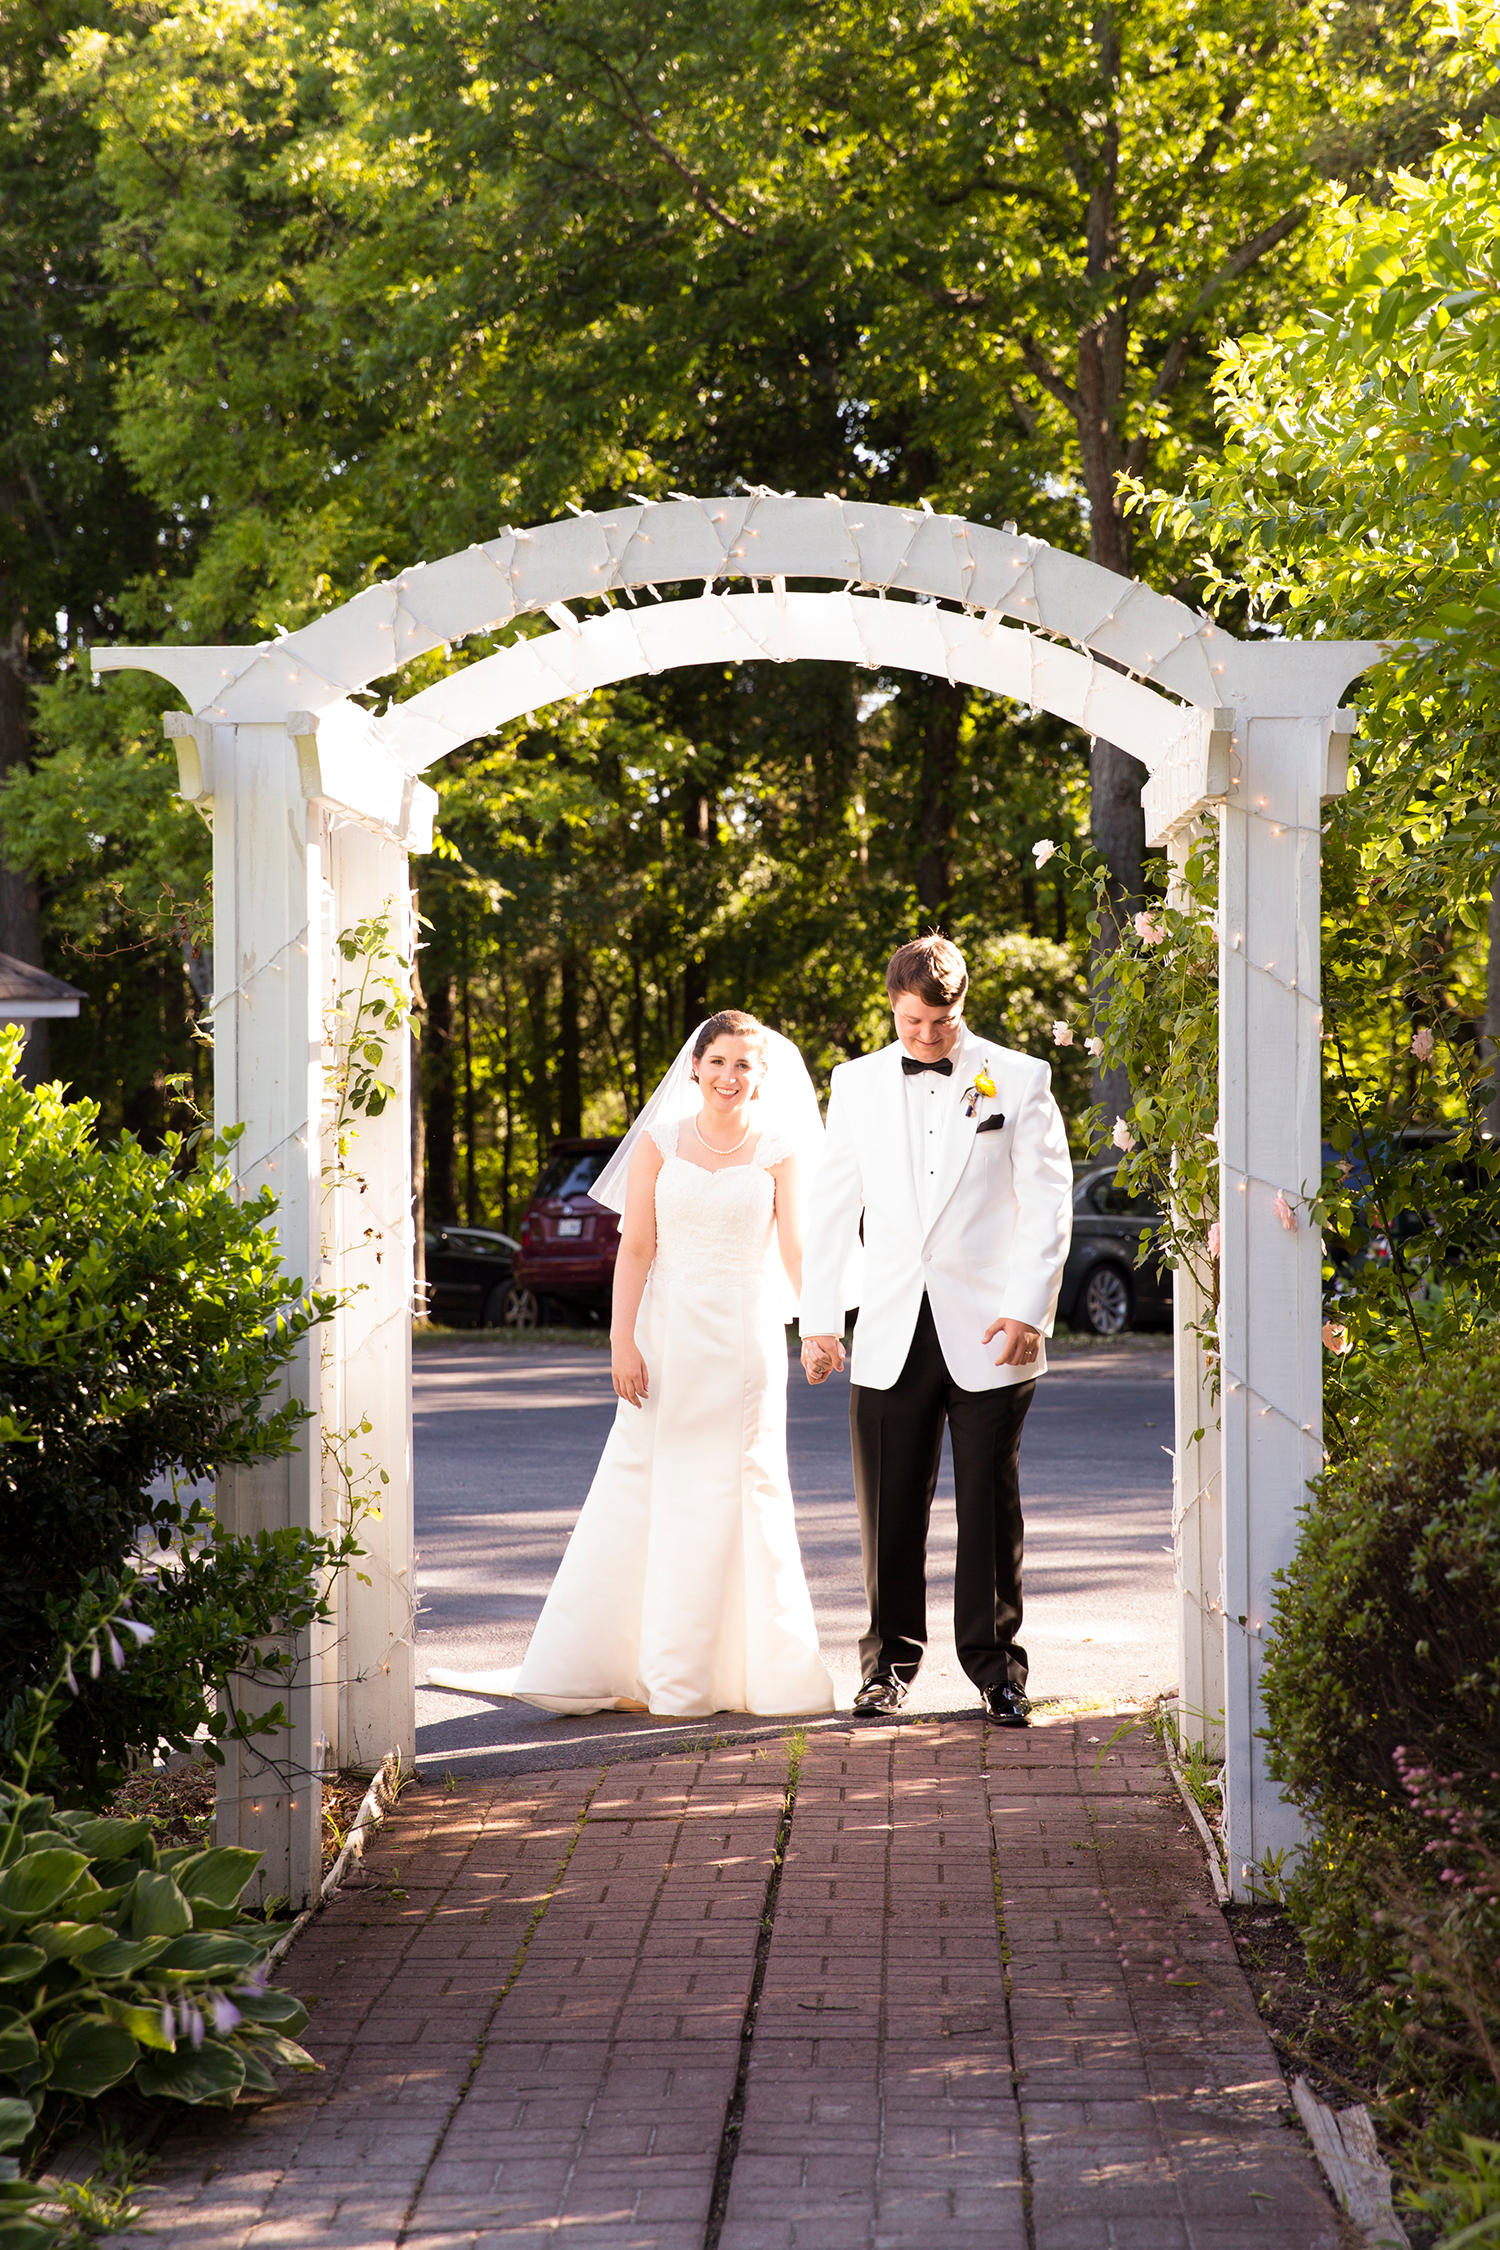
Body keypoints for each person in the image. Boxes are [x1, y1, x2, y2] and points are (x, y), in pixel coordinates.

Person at [428, 1010, 835, 1720]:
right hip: (666, 1334)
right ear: (695, 1067)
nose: (729, 1076)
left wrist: (819, 1328)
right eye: (718, 1062)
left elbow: (796, 1249)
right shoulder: (659, 1141)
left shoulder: (780, 1150)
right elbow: (638, 1248)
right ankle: (650, 1667)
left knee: (746, 1488)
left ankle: (749, 1669)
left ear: (761, 1074)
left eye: (744, 1065)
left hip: (747, 1341)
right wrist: (623, 1342)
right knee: (653, 1485)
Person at [799, 935, 1073, 1726]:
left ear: (963, 1006)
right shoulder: (853, 1083)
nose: (926, 1036)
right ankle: (887, 1668)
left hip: (993, 1326)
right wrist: (821, 1321)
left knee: (990, 1506)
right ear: (893, 1005)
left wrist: (1028, 1310)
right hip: (889, 1324)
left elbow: (1047, 1203)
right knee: (888, 1511)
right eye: (913, 1022)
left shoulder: (1019, 1077)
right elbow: (831, 1208)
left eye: (941, 1023)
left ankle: (998, 1672)